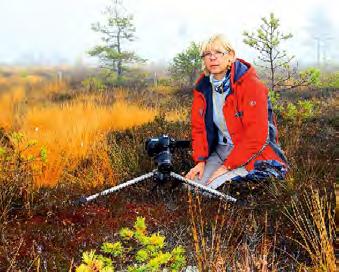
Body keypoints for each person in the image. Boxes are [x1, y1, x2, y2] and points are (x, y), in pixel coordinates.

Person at [185, 34, 287, 189]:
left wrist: (227, 167)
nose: (212, 58)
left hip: (250, 152)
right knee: (191, 186)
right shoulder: (203, 88)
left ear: (231, 56)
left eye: (218, 52)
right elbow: (199, 129)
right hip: (220, 149)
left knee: (216, 189)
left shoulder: (251, 86)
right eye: (207, 54)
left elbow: (256, 137)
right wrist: (200, 161)